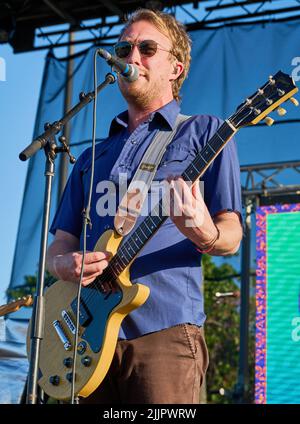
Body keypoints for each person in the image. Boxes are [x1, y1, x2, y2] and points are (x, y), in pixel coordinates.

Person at [47, 8, 243, 404]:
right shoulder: (91, 158)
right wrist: (63, 265)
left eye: (147, 48)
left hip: (165, 329)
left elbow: (232, 234)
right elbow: (58, 246)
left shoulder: (204, 132)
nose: (131, 57)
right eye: (124, 48)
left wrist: (205, 233)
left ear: (176, 67)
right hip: (86, 338)